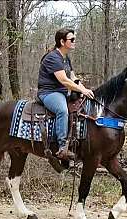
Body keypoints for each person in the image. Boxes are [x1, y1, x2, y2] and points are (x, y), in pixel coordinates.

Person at [37, 28, 94, 160]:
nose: (74, 41)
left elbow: (73, 78)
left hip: (61, 92)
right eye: (71, 39)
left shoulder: (65, 58)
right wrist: (82, 90)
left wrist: (85, 90)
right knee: (63, 110)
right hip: (49, 93)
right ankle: (62, 147)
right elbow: (64, 80)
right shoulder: (53, 57)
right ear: (62, 42)